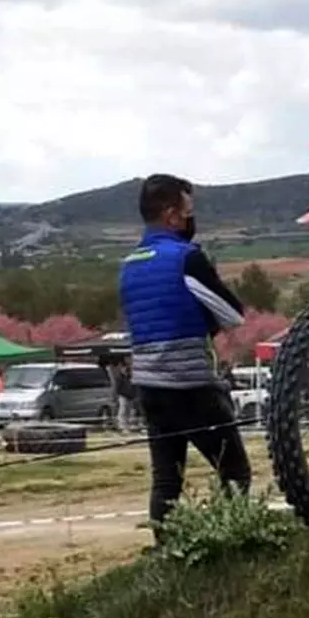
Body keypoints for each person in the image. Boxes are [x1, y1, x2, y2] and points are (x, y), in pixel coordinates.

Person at [118, 173, 253, 544]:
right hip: (190, 384)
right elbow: (233, 314)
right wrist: (205, 320)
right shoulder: (186, 258)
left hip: (148, 385)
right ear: (171, 215)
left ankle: (167, 551)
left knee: (166, 479)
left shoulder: (129, 264)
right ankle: (228, 543)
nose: (191, 219)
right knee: (234, 471)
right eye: (188, 211)